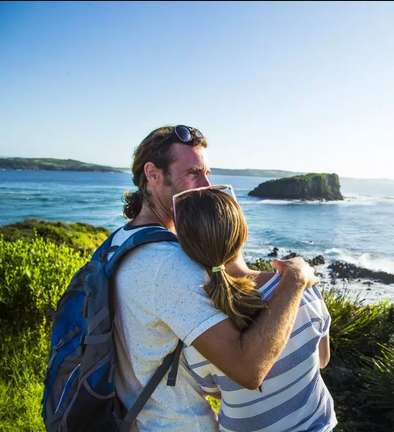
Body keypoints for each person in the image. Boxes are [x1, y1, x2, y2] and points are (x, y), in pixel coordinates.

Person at [111, 125, 319, 431]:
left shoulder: (121, 238)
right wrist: (295, 279)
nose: (207, 185)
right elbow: (248, 370)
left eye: (206, 172)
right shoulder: (169, 264)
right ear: (153, 175)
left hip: (139, 415)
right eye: (193, 173)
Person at [173, 186, 337, 432]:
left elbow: (215, 391)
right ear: (244, 232)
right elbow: (322, 359)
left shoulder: (200, 325)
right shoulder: (304, 288)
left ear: (187, 249)